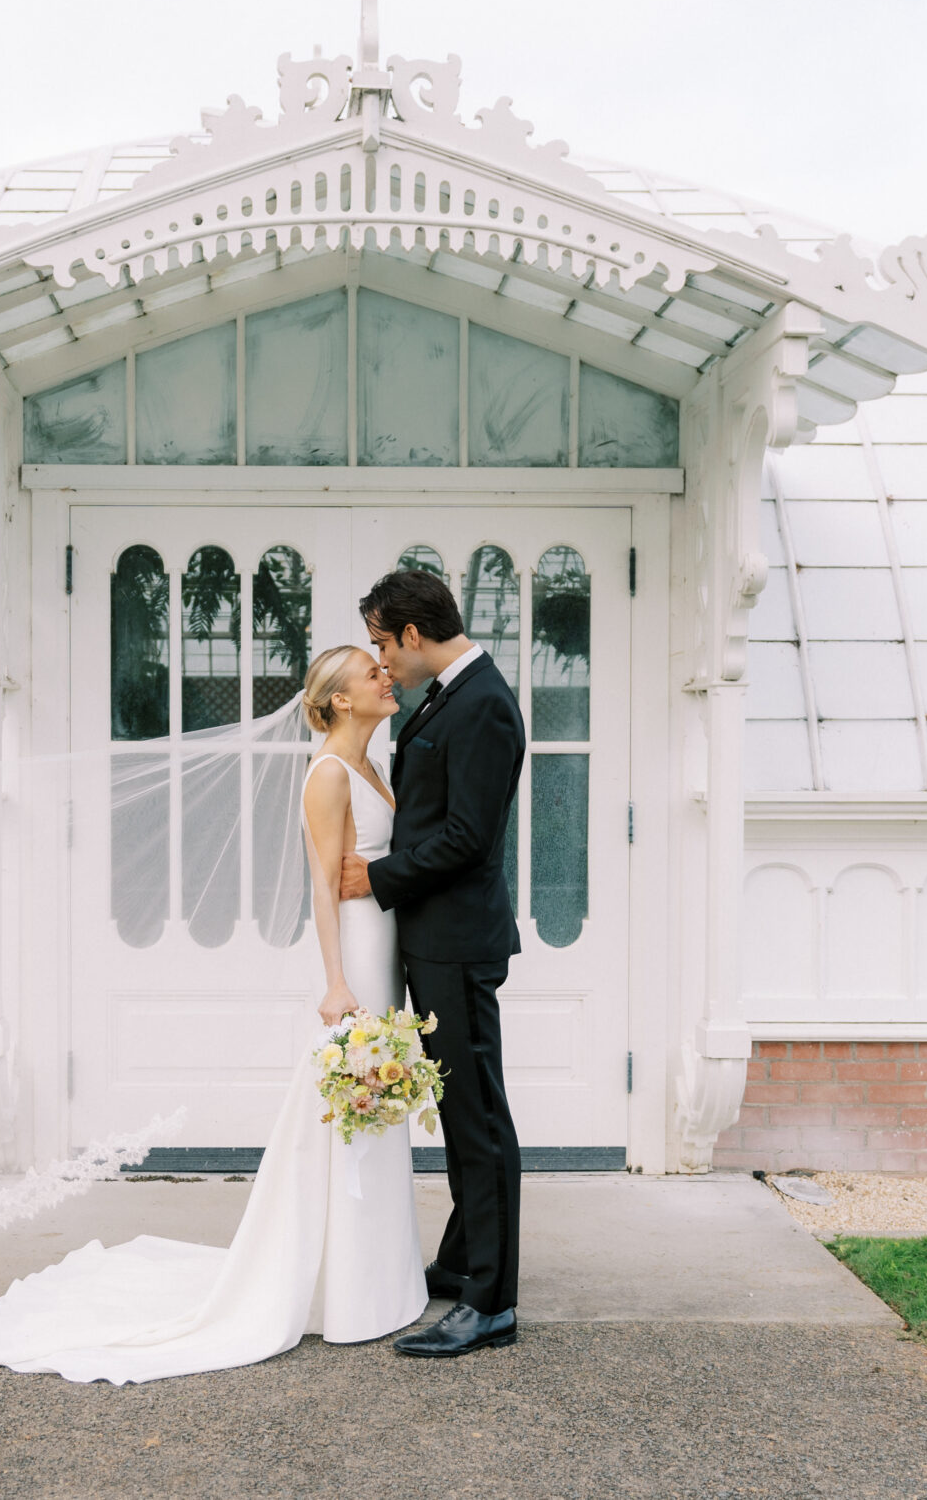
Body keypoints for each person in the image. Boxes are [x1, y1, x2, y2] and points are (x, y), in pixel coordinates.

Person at [0, 646, 428, 1383]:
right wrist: (335, 981)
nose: (386, 674)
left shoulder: (375, 761)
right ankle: (346, 1289)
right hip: (355, 947)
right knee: (351, 1100)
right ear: (340, 700)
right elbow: (320, 887)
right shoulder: (326, 773)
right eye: (369, 672)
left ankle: (379, 1280)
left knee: (377, 1101)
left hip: (386, 941)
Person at [341, 568, 527, 1359]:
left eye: (384, 642)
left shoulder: (482, 703)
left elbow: (467, 838)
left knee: (478, 1117)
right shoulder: (451, 694)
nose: (384, 658)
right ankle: (462, 1259)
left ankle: (491, 1302)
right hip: (435, 941)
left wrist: (374, 878)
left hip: (459, 943)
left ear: (414, 634)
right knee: (458, 1113)